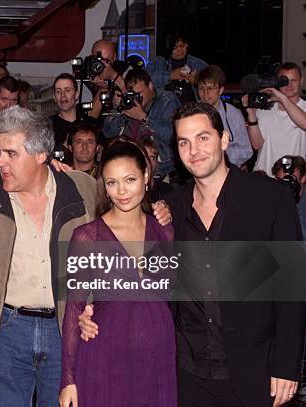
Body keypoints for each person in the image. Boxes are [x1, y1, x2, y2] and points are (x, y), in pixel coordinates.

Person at [79, 102, 305, 407]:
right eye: (184, 142)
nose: (193, 150)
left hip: (255, 370)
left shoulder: (270, 198)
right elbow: (147, 281)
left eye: (203, 138)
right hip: (188, 376)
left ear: (224, 139)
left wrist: (287, 365)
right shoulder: (170, 209)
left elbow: (292, 288)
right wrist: (94, 311)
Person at [0, 106, 98, 406]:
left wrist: (161, 213)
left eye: (11, 154)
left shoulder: (84, 189)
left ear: (41, 155)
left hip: (65, 327)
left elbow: (120, 231)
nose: (0, 162)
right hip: (7, 329)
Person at [60, 138, 176, 407]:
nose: (121, 191)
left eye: (130, 180)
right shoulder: (87, 236)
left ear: (146, 177)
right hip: (105, 359)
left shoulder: (165, 230)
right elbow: (73, 310)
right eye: (112, 182)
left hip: (159, 357)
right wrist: (68, 379)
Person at [103, 68, 181, 177]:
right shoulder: (129, 101)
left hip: (160, 168)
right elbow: (108, 132)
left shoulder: (166, 100)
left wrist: (144, 118)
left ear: (150, 85)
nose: (136, 98)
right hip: (129, 164)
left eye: (139, 93)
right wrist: (117, 108)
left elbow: (173, 136)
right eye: (133, 94)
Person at [242, 62, 306, 176]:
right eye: (284, 81)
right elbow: (257, 145)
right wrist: (251, 113)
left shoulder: (304, 108)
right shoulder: (266, 107)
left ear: (301, 81)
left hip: (292, 178)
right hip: (264, 176)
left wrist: (281, 97)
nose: (289, 85)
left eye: (294, 80)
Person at [196, 65, 252, 167]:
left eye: (210, 88)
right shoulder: (191, 114)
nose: (205, 93)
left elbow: (246, 150)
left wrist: (220, 155)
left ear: (221, 90)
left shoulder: (233, 114)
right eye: (201, 88)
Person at [146, 32, 207, 104]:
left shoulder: (198, 64)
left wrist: (197, 81)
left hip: (191, 109)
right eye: (175, 47)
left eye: (182, 46)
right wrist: (170, 75)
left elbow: (213, 85)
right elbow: (144, 82)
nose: (179, 50)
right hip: (164, 109)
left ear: (187, 45)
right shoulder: (157, 62)